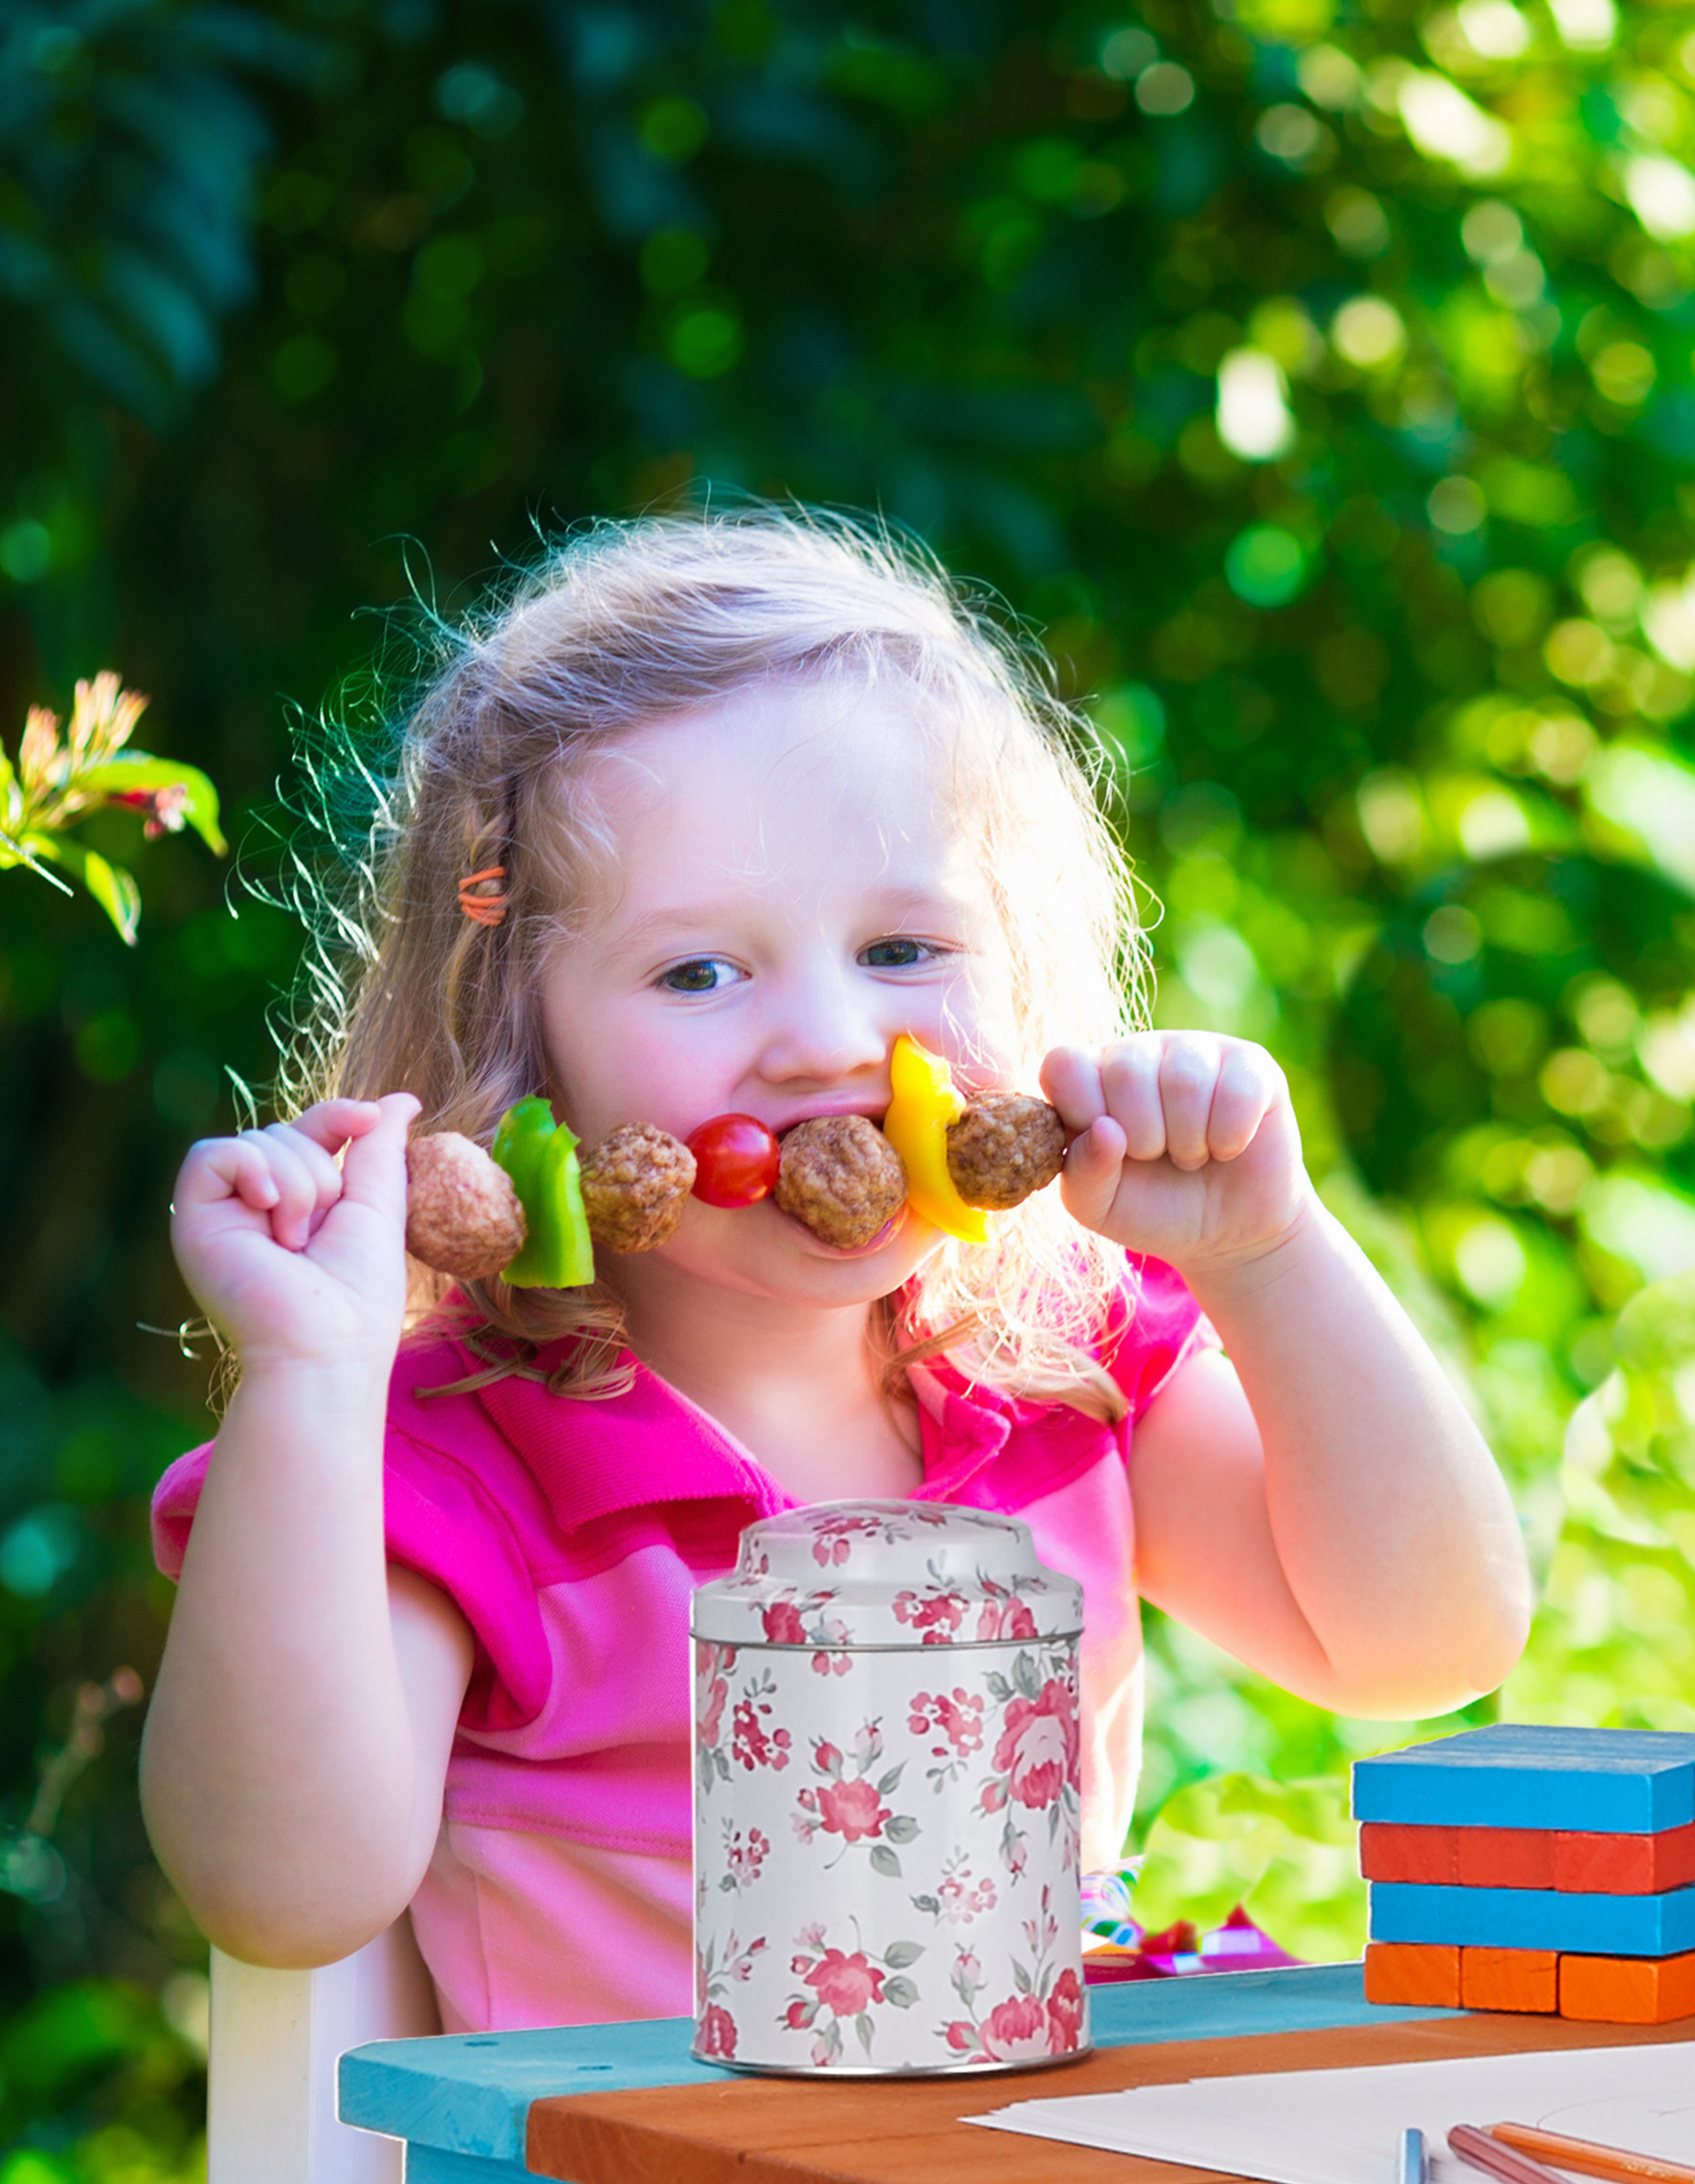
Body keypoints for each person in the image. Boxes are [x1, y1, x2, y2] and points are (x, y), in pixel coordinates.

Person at [138, 511, 1530, 2034]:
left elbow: (1422, 1645)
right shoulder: (452, 1475)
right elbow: (280, 1896)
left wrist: (1271, 1252)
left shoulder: (1066, 1364)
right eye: (698, 973)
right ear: (521, 1046)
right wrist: (304, 1379)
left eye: (903, 947)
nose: (824, 1040)